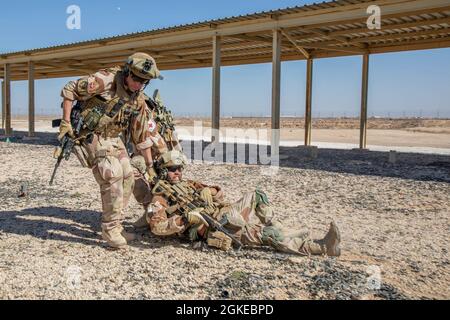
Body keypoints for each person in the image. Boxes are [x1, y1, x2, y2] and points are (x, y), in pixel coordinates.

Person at [134, 150, 342, 256]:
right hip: (211, 229)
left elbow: (219, 193)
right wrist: (185, 218)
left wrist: (210, 191)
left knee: (257, 195)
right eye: (172, 169)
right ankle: (321, 248)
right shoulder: (159, 199)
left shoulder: (189, 184)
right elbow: (158, 228)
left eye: (179, 168)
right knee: (266, 236)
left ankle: (275, 225)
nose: (177, 172)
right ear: (164, 171)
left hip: (223, 214)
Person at [58, 52, 168, 249]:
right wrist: (66, 123)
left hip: (114, 138)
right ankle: (109, 230)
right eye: (135, 79)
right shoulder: (105, 80)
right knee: (112, 174)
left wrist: (150, 165)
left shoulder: (138, 100)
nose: (138, 85)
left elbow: (141, 135)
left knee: (128, 175)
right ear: (127, 73)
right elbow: (69, 89)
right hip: (92, 134)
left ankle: (117, 226)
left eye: (143, 82)